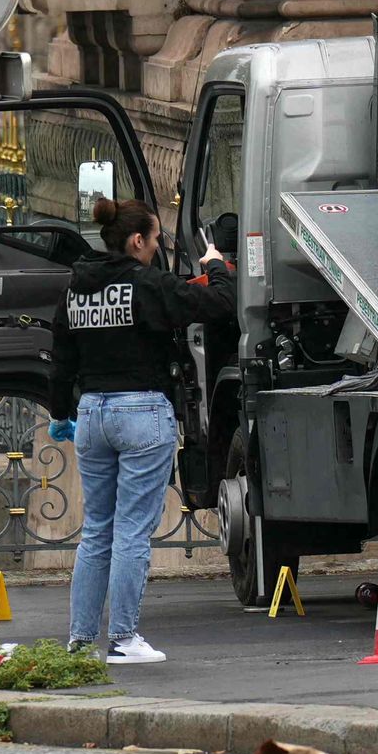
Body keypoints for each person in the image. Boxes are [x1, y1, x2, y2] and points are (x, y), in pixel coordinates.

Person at [45, 197, 224, 664]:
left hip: (92, 415)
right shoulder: (146, 284)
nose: (159, 246)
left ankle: (81, 641)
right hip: (141, 411)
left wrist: (61, 412)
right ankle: (123, 639)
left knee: (96, 530)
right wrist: (217, 265)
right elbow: (216, 303)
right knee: (130, 532)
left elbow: (61, 356)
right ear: (137, 240)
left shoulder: (75, 287)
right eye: (158, 238)